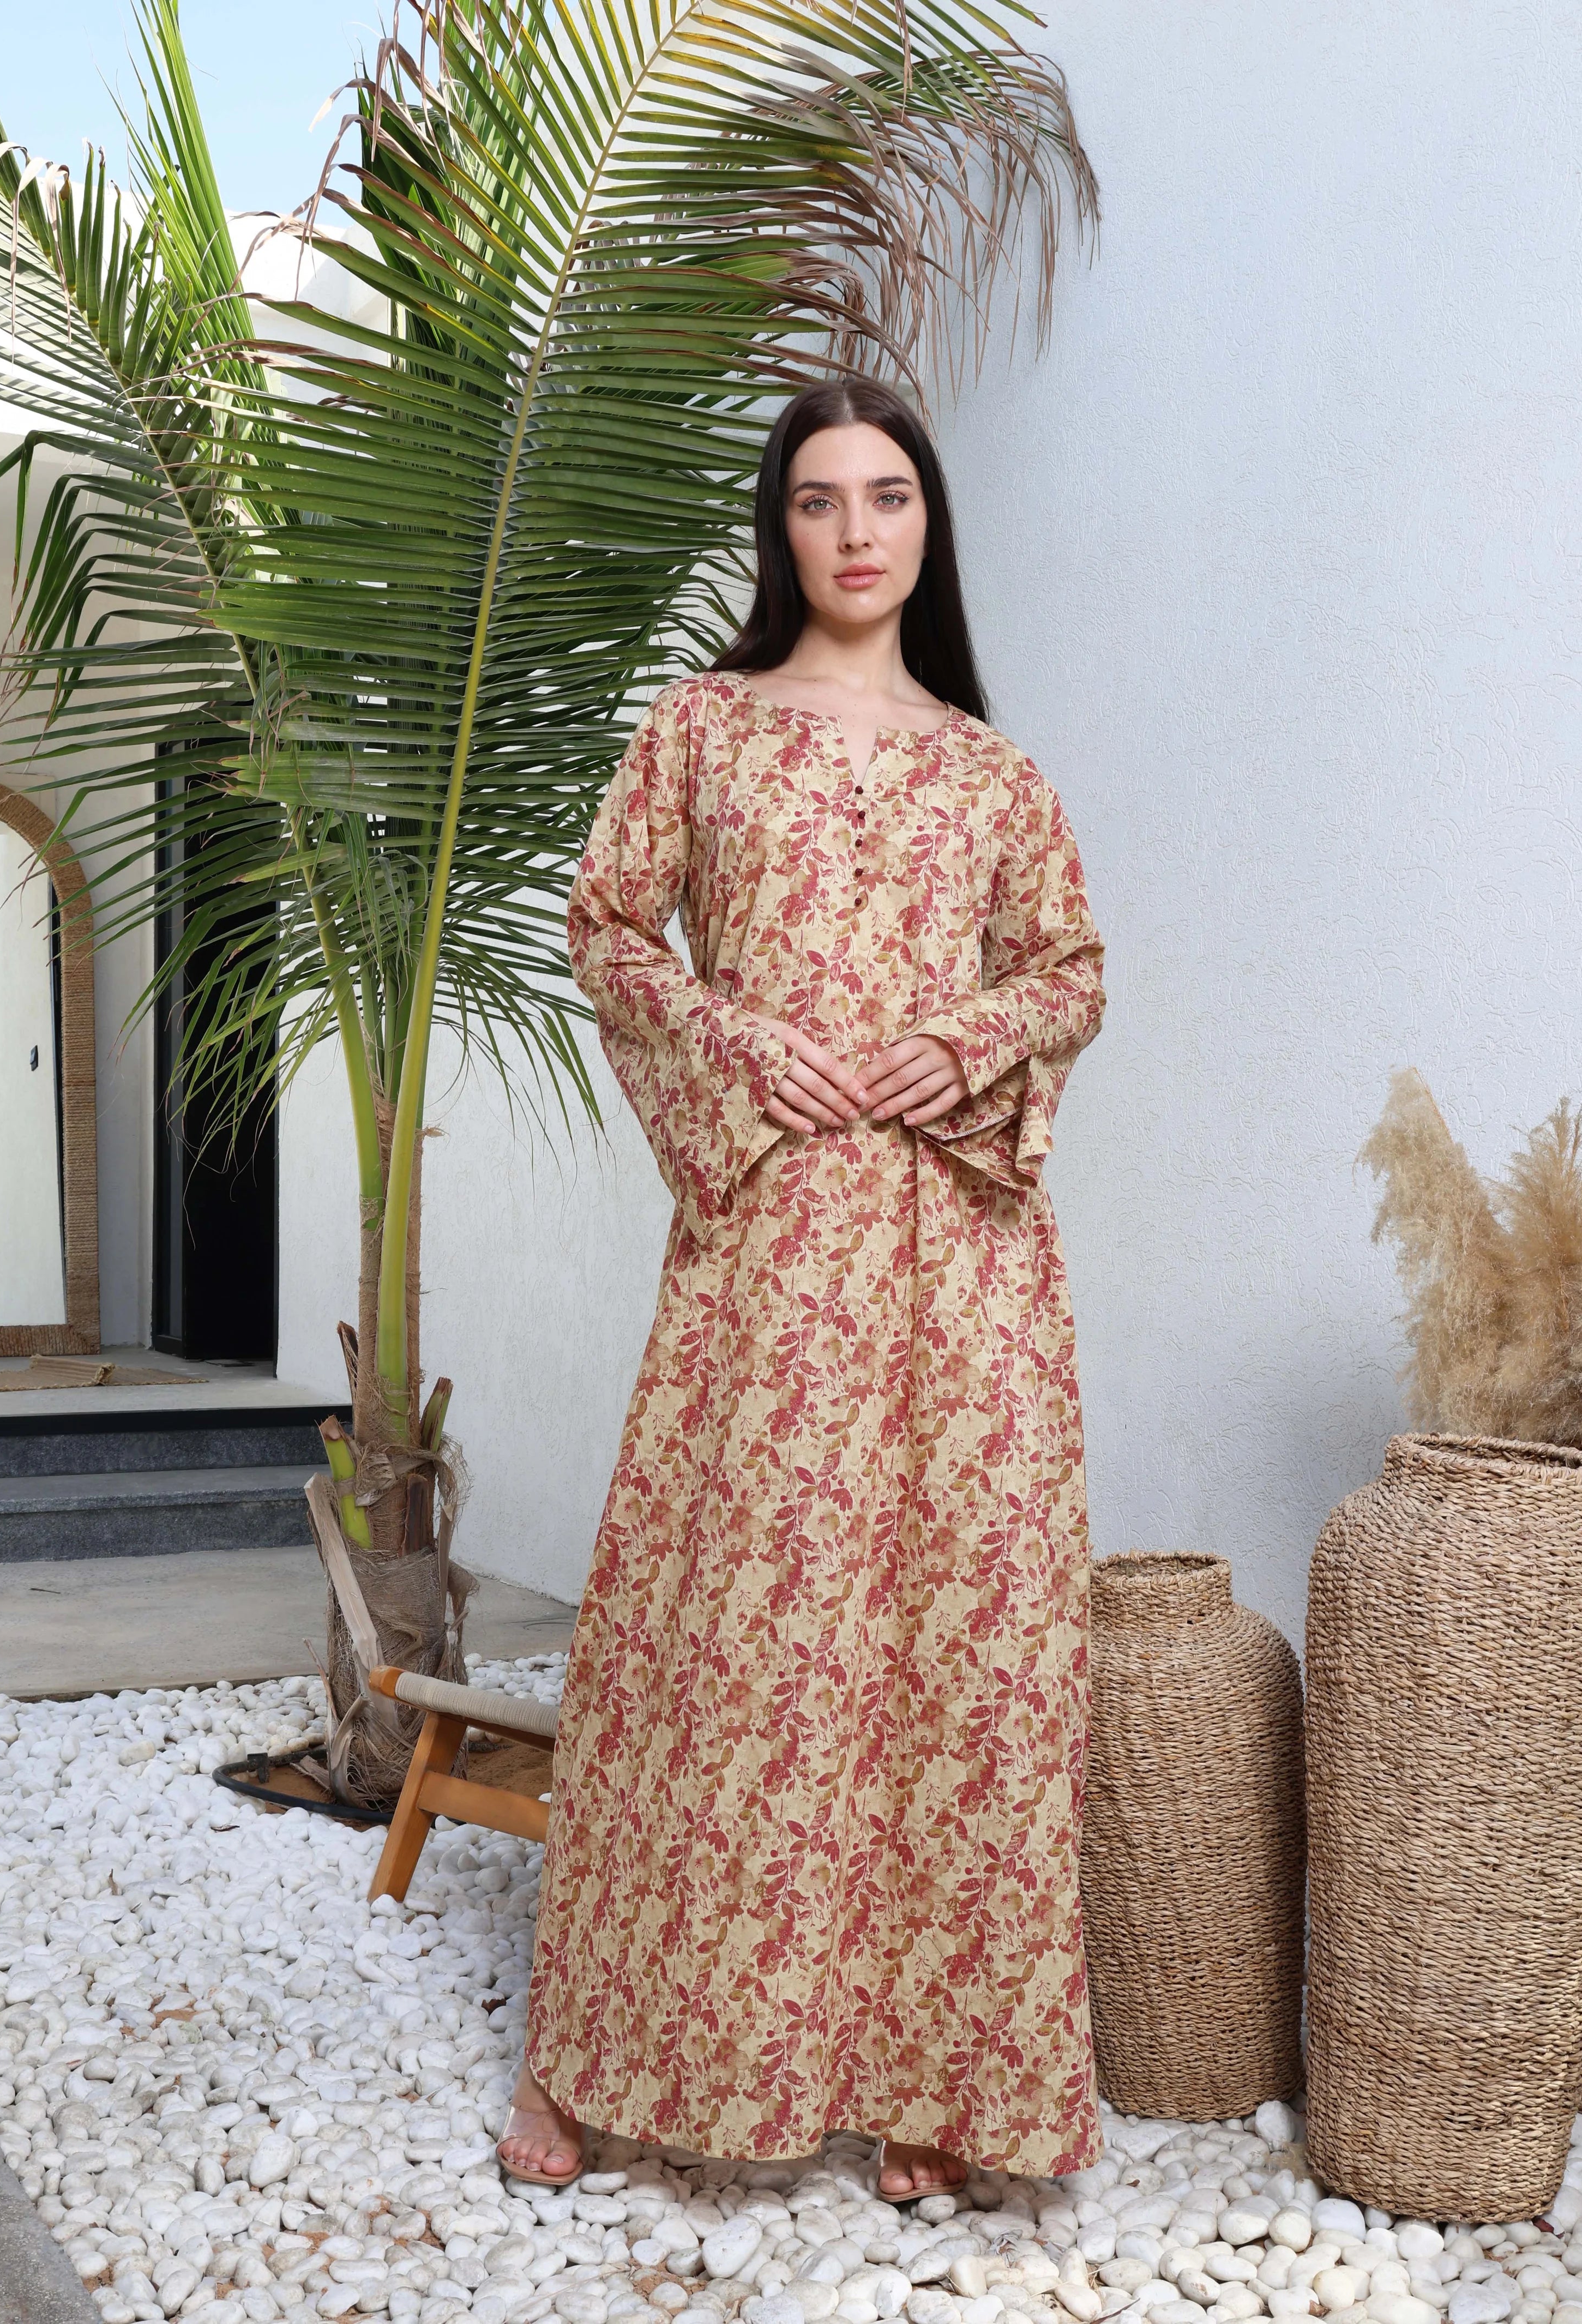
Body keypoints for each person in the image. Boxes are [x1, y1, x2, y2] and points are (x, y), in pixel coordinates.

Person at [499, 374, 1108, 2199]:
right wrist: (742, 1044)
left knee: (952, 1645)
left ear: (930, 523)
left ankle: (931, 2081)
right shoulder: (706, 730)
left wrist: (962, 1043)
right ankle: (604, 2062)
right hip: (771, 1252)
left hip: (960, 1270)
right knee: (724, 1649)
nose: (857, 531)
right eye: (821, 499)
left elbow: (1071, 971)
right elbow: (609, 927)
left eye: (889, 496)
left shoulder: (991, 770)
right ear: (782, 530)